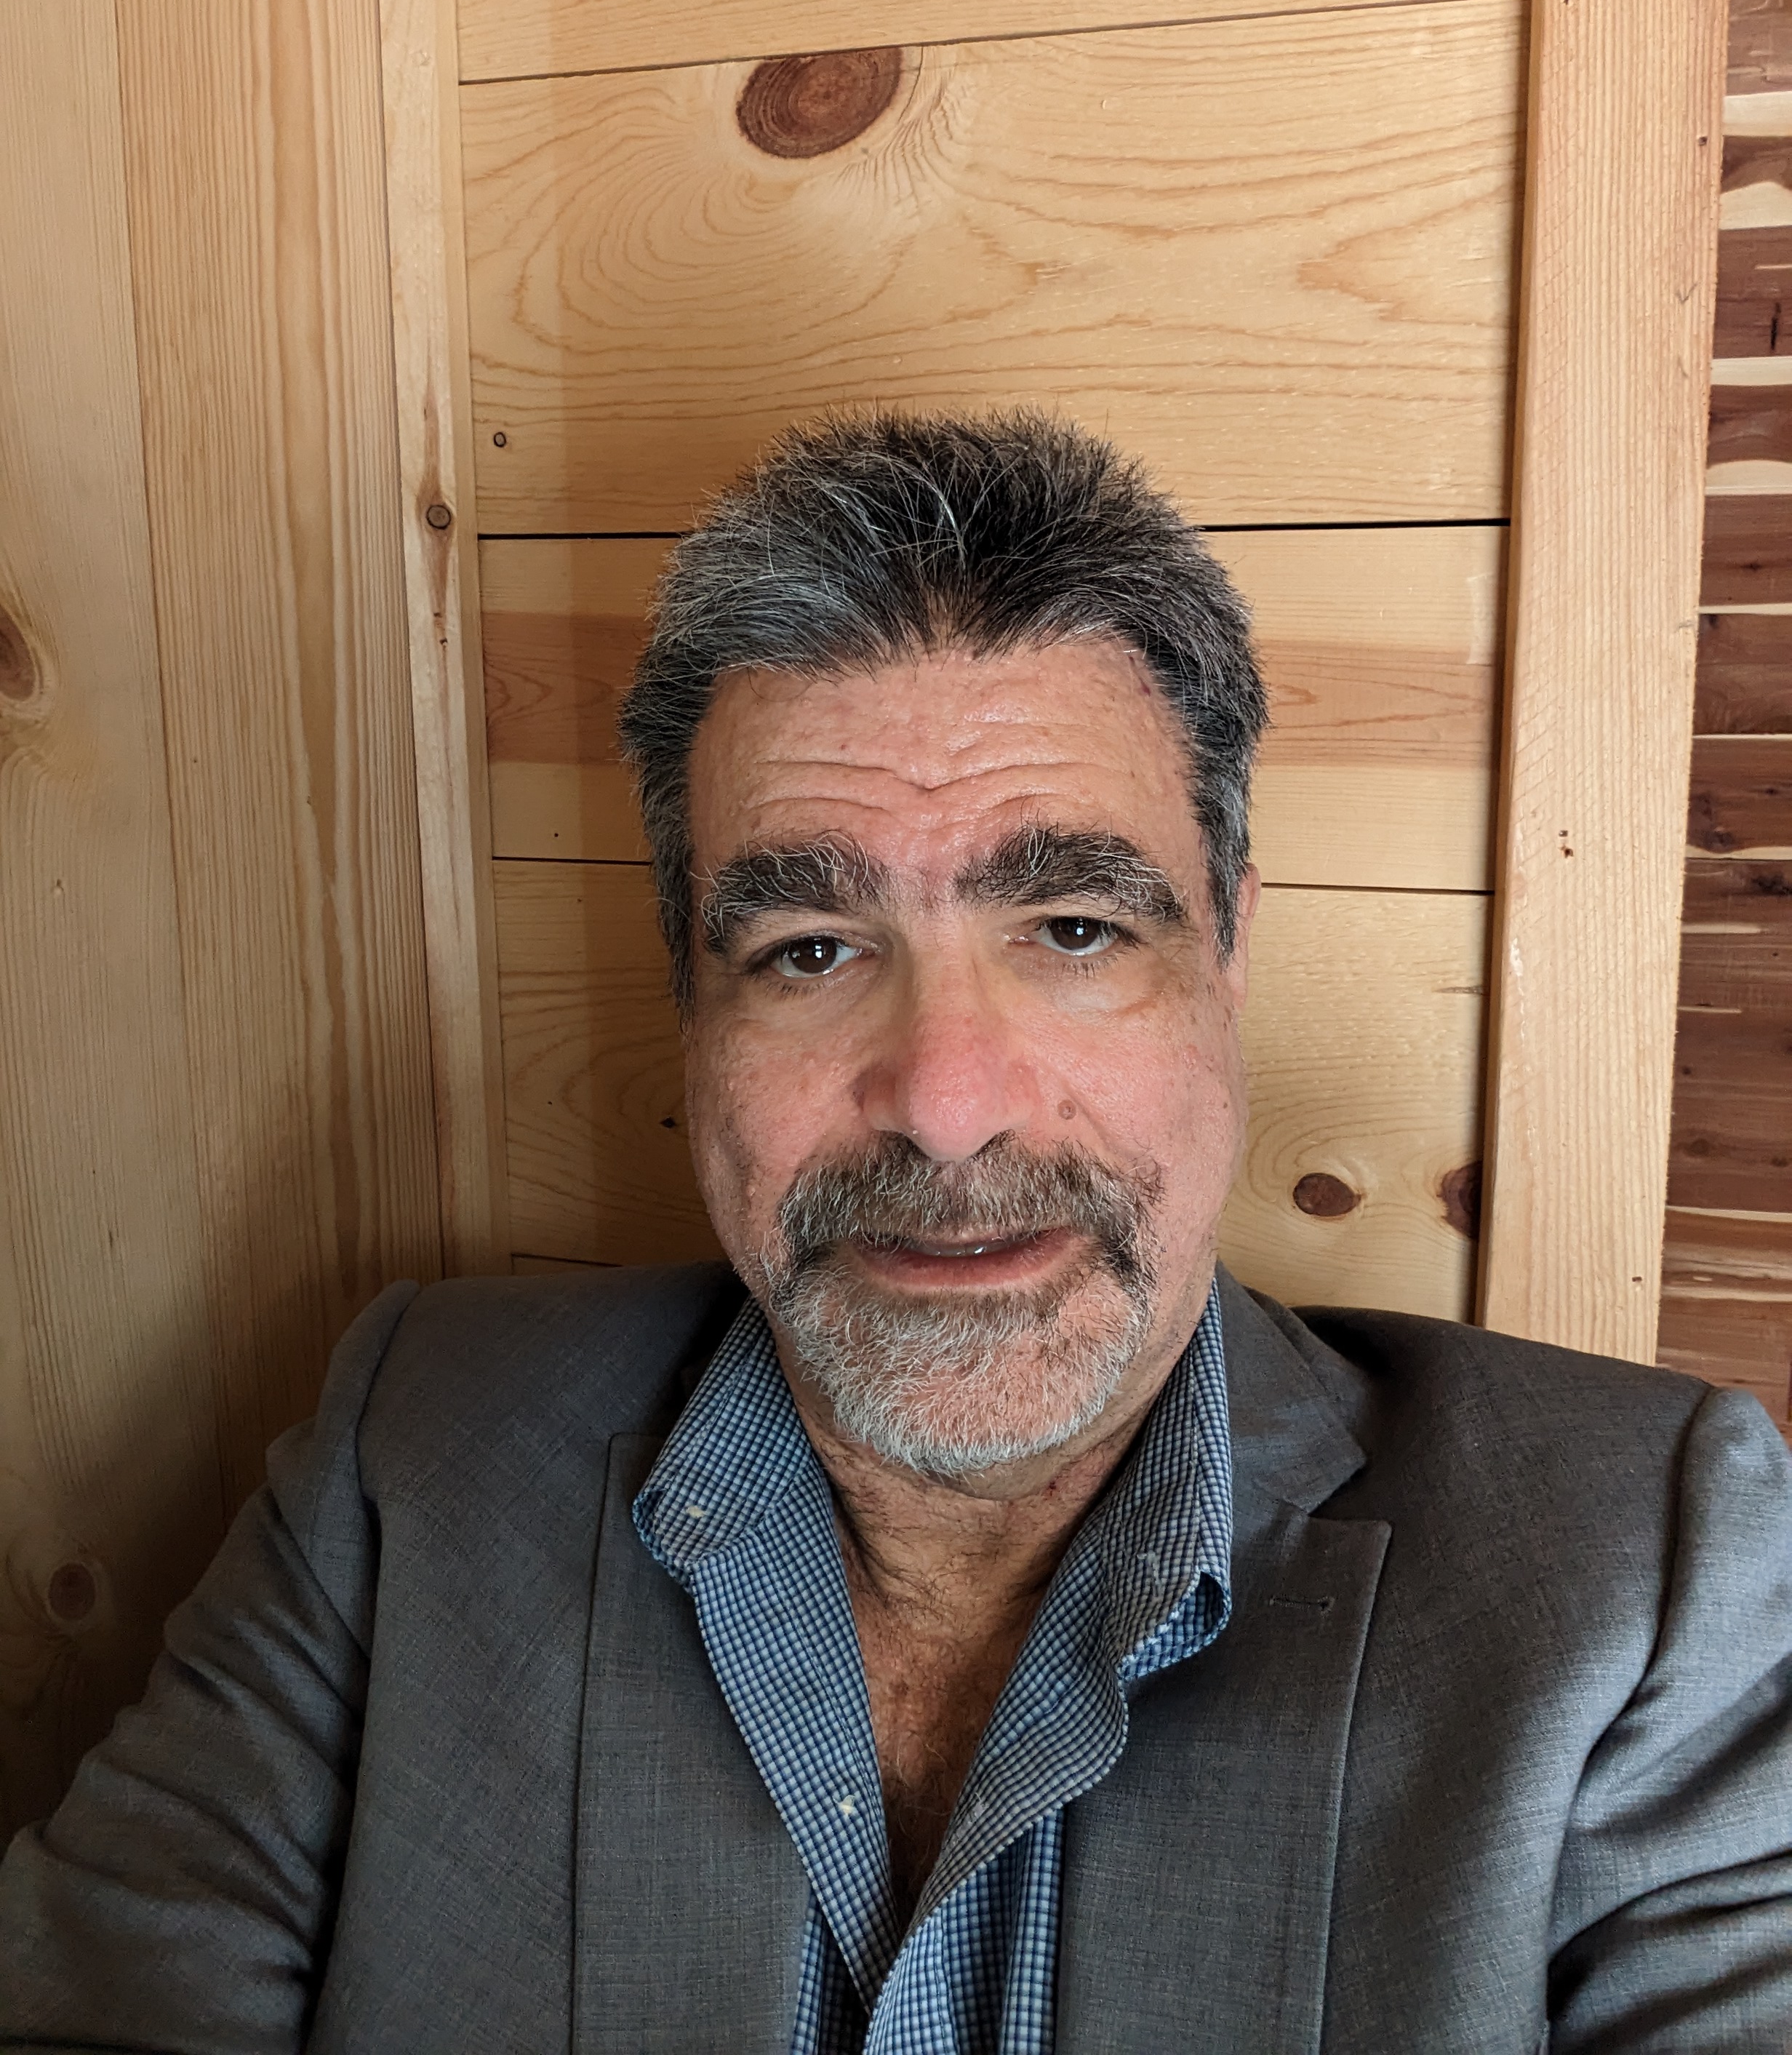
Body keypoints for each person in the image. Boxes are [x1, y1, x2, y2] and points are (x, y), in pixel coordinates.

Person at [1, 411, 1789, 2054]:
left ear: (1228, 952)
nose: (942, 1100)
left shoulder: (1635, 1584)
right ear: (689, 1007)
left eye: (1073, 927)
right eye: (807, 948)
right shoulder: (406, 1455)